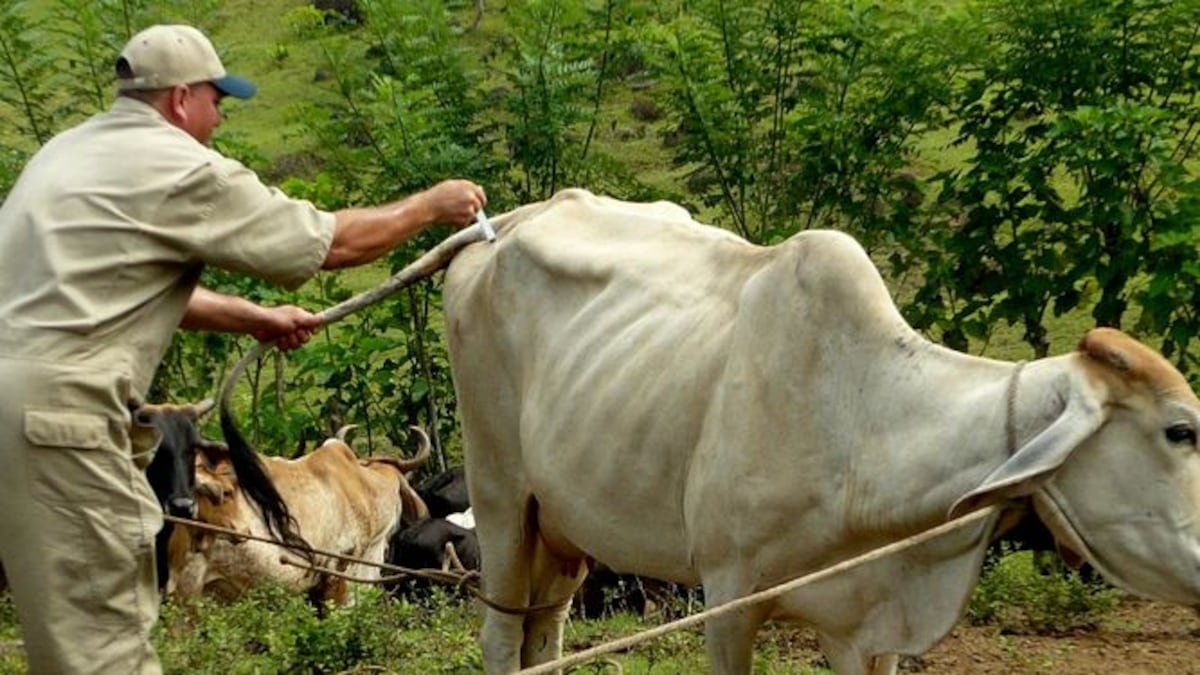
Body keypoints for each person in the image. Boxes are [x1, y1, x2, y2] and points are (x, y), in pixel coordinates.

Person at [0, 23, 486, 674]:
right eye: (217, 99)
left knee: (57, 632)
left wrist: (251, 317)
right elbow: (325, 244)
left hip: (14, 414)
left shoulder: (65, 156)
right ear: (179, 99)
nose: (220, 116)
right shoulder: (173, 165)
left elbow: (108, 287)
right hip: (60, 424)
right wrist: (432, 205)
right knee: (101, 652)